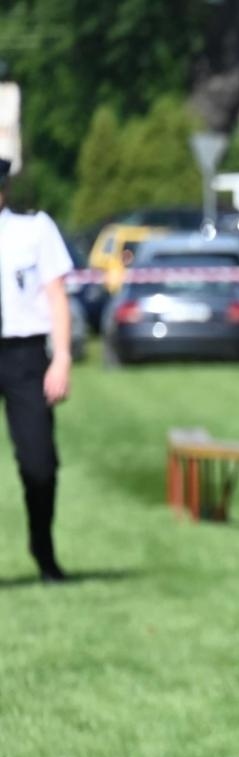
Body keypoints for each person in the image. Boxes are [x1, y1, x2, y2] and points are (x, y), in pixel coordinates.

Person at [0, 158, 75, 583]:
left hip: (24, 354)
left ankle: (42, 547)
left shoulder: (34, 229)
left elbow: (56, 295)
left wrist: (61, 357)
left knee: (39, 463)